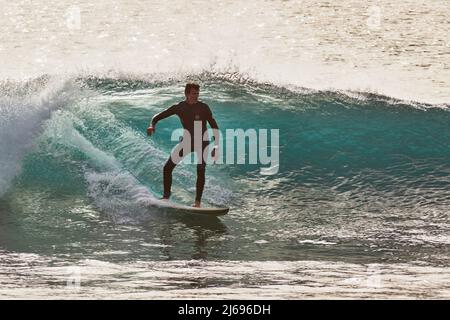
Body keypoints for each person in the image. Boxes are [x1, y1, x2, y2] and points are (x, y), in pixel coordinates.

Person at [147, 83, 220, 207]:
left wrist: (216, 145)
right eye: (193, 94)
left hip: (203, 142)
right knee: (167, 167)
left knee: (200, 170)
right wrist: (152, 125)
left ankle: (197, 202)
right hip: (187, 142)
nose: (196, 96)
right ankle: (166, 197)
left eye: (197, 93)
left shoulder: (203, 108)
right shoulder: (179, 107)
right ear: (186, 94)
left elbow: (213, 125)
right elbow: (158, 116)